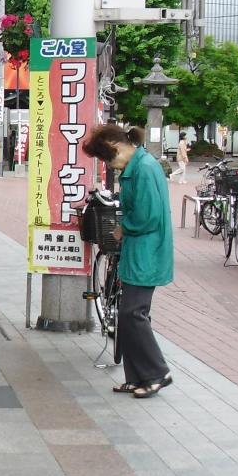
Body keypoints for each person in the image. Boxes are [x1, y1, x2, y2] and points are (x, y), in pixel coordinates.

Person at [82, 124, 173, 399]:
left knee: (133, 313)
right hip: (139, 251)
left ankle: (157, 372)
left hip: (147, 251)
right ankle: (137, 377)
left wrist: (123, 228)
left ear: (116, 146)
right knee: (127, 314)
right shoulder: (137, 167)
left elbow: (148, 215)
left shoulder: (144, 168)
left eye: (108, 159)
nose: (111, 165)